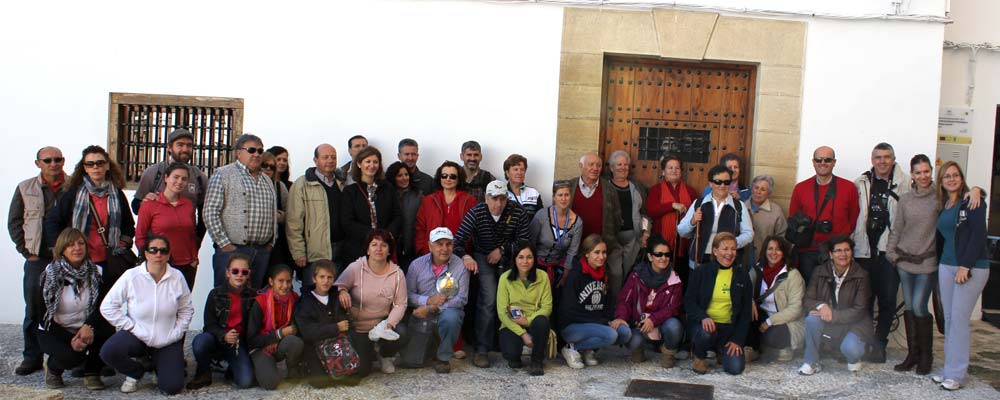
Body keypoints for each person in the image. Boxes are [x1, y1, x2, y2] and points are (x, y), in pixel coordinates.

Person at [100, 236, 193, 395]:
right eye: (153, 250)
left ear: (169, 255)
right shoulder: (131, 276)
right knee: (108, 352)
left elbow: (186, 309)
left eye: (163, 251)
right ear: (146, 253)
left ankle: (158, 365)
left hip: (167, 338)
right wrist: (131, 326)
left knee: (172, 387)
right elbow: (107, 307)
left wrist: (177, 333)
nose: (158, 255)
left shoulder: (177, 277)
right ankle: (136, 371)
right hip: (138, 335)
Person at [453, 180, 531, 368]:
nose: (498, 204)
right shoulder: (477, 212)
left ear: (507, 198)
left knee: (513, 299)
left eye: (502, 199)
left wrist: (502, 250)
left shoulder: (517, 211)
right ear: (486, 198)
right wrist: (466, 257)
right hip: (482, 256)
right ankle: (482, 349)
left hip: (510, 257)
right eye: (494, 199)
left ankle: (513, 344)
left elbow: (525, 240)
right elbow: (458, 241)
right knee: (488, 299)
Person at [9, 145, 68, 375]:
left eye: (58, 159)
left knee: (66, 307)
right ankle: (32, 357)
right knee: (34, 308)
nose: (53, 164)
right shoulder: (25, 188)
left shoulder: (73, 186)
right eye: (48, 160)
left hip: (65, 258)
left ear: (63, 161)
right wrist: (26, 252)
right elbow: (14, 222)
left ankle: (63, 359)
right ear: (38, 163)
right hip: (37, 258)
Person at [932, 161, 990, 391]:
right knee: (949, 320)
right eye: (947, 176)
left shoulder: (972, 201)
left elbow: (978, 235)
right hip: (946, 265)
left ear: (961, 177)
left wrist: (966, 266)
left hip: (971, 268)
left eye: (955, 175)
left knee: (959, 320)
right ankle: (949, 369)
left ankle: (957, 374)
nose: (951, 179)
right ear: (941, 181)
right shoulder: (945, 204)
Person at [849, 142, 908, 363]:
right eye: (878, 157)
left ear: (893, 159)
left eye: (886, 157)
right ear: (872, 160)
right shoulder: (861, 182)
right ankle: (863, 342)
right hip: (864, 251)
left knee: (887, 300)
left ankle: (880, 344)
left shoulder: (905, 184)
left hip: (889, 252)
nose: (882, 161)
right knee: (863, 301)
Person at [32, 228, 111, 390]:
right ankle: (53, 369)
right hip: (54, 329)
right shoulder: (49, 276)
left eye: (81, 243)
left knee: (109, 333)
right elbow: (41, 317)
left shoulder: (97, 273)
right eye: (70, 245)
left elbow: (103, 307)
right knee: (73, 356)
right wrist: (70, 339)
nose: (77, 248)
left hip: (84, 326)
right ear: (62, 250)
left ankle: (92, 372)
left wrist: (88, 326)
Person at [45, 145, 135, 283]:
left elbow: (128, 225)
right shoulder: (73, 194)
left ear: (107, 166)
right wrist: (62, 250)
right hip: (80, 262)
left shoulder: (117, 194)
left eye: (100, 163)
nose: (95, 167)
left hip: (110, 262)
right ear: (85, 168)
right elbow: (53, 222)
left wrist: (122, 244)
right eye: (90, 164)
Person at [203, 133, 277, 289]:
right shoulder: (223, 174)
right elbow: (210, 211)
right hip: (232, 250)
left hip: (261, 251)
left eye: (260, 150)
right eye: (251, 150)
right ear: (238, 152)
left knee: (252, 301)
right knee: (226, 300)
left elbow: (272, 213)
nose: (256, 154)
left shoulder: (267, 180)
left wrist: (271, 242)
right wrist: (224, 244)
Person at [886, 154, 937, 375]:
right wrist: (891, 253)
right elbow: (897, 228)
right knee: (908, 307)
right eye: (918, 172)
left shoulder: (940, 197)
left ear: (931, 171)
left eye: (926, 171)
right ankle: (912, 354)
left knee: (919, 306)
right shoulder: (905, 199)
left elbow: (965, 195)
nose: (923, 175)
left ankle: (926, 355)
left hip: (927, 261)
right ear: (912, 174)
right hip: (904, 261)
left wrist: (976, 191)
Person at [335, 229, 410, 377]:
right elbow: (338, 285)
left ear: (389, 251)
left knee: (401, 332)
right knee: (363, 371)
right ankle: (370, 349)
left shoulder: (397, 274)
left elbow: (400, 304)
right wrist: (342, 291)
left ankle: (385, 355)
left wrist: (389, 324)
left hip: (381, 324)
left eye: (384, 245)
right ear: (368, 249)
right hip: (358, 326)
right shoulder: (356, 267)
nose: (379, 249)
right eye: (374, 244)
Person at [799, 235, 873, 376]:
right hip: (831, 322)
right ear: (830, 254)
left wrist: (831, 314)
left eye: (847, 250)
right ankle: (811, 362)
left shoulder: (862, 275)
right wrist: (821, 306)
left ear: (852, 253)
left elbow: (859, 310)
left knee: (850, 349)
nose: (843, 254)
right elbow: (807, 299)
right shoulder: (819, 271)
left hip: (855, 325)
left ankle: (853, 358)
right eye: (838, 251)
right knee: (811, 319)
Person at [402, 227, 470, 373]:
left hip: (446, 311)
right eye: (439, 244)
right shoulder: (416, 265)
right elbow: (407, 294)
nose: (444, 249)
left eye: (449, 244)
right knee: (411, 362)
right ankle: (429, 350)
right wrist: (427, 300)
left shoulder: (460, 266)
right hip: (422, 314)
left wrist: (434, 307)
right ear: (430, 246)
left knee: (452, 317)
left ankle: (443, 358)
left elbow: (461, 299)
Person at [788, 146, 860, 283]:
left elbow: (853, 219)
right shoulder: (800, 188)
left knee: (835, 295)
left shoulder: (849, 188)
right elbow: (793, 219)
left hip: (837, 253)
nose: (823, 163)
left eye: (827, 159)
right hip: (807, 251)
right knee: (809, 293)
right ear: (813, 162)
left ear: (834, 162)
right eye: (818, 160)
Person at [611, 234, 684, 368]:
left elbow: (673, 308)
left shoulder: (675, 279)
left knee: (674, 326)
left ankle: (668, 352)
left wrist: (653, 320)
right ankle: (639, 349)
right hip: (638, 323)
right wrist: (621, 317)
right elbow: (624, 300)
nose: (663, 258)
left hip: (661, 325)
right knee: (628, 334)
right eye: (659, 254)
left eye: (667, 255)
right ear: (650, 256)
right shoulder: (636, 275)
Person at [685, 232, 752, 375]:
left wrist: (737, 339)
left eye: (733, 249)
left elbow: (746, 312)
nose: (729, 253)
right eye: (725, 248)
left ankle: (721, 351)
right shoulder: (701, 272)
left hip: (729, 330)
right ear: (715, 251)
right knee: (705, 333)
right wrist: (703, 317)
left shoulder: (742, 275)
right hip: (706, 326)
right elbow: (689, 302)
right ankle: (700, 356)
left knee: (735, 369)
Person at [187, 254, 256, 390]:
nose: (239, 275)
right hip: (217, 339)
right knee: (200, 342)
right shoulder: (215, 294)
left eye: (244, 272)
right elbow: (209, 324)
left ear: (249, 274)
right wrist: (223, 335)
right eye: (235, 271)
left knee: (245, 382)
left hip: (237, 343)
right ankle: (204, 371)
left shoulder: (253, 296)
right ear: (227, 273)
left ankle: (232, 368)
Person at [130, 128, 208, 242]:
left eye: (189, 145)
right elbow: (135, 207)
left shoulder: (199, 177)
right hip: (156, 248)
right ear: (169, 147)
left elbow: (203, 213)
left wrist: (197, 240)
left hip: (184, 245)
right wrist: (145, 203)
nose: (185, 149)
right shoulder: (153, 173)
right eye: (180, 145)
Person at [286, 144, 345, 289]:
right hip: (315, 252)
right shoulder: (302, 185)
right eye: (325, 157)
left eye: (333, 157)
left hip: (340, 250)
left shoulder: (342, 184)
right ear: (315, 160)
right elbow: (294, 221)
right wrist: (298, 251)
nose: (330, 161)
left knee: (336, 293)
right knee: (312, 295)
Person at [568, 153, 623, 300]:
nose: (595, 168)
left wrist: (608, 239)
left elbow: (617, 218)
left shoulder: (609, 189)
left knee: (615, 275)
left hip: (603, 245)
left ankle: (612, 311)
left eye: (598, 165)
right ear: (581, 167)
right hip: (576, 245)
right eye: (591, 164)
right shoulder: (570, 187)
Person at [135, 162, 198, 289]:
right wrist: (150, 258)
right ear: (166, 178)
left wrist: (194, 258)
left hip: (186, 265)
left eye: (184, 179)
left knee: (182, 305)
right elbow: (140, 236)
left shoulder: (188, 205)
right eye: (176, 177)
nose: (179, 182)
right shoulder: (150, 205)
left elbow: (191, 234)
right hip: (160, 263)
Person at [558, 234, 618, 369]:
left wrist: (610, 319)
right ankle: (571, 347)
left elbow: (608, 303)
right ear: (586, 254)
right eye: (596, 252)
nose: (601, 256)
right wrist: (602, 322)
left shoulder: (604, 273)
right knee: (611, 335)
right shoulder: (575, 275)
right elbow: (569, 311)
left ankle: (587, 349)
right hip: (573, 327)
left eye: (604, 252)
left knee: (623, 332)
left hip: (594, 324)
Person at [677, 165, 754, 270]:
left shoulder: (739, 206)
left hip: (727, 260)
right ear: (710, 183)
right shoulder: (699, 203)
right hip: (700, 260)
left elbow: (749, 234)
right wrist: (692, 221)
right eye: (718, 182)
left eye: (726, 182)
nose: (722, 185)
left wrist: (732, 245)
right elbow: (681, 231)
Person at [293, 259, 352, 388]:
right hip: (314, 346)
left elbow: (346, 323)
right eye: (322, 277)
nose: (326, 281)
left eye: (329, 277)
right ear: (314, 279)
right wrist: (335, 327)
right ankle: (305, 366)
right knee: (320, 382)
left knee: (352, 377)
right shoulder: (304, 301)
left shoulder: (336, 297)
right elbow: (307, 331)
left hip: (336, 345)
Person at [340, 146, 402, 264]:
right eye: (367, 161)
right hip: (358, 249)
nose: (372, 165)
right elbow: (347, 222)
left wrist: (386, 235)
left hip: (384, 248)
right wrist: (372, 236)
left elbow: (397, 215)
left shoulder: (388, 188)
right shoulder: (350, 191)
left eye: (375, 162)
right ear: (359, 164)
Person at [747, 236, 804, 362]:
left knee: (773, 335)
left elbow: (796, 309)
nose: (773, 253)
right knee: (745, 316)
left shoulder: (793, 275)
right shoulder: (757, 270)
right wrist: (749, 300)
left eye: (778, 249)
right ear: (764, 251)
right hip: (762, 315)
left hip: (785, 321)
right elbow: (745, 289)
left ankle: (783, 347)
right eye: (770, 249)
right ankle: (754, 348)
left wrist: (770, 321)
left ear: (783, 253)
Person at [497, 243, 551, 376]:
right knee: (512, 356)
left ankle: (537, 361)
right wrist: (523, 334)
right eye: (520, 257)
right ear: (514, 259)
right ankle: (518, 352)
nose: (525, 261)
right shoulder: (505, 278)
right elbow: (502, 313)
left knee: (542, 321)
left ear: (534, 259)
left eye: (529, 257)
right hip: (512, 323)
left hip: (534, 321)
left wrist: (527, 322)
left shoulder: (543, 276)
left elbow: (547, 307)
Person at [645, 154, 698, 287]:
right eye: (670, 168)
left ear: (681, 171)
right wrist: (672, 205)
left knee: (682, 278)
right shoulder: (656, 190)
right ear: (663, 171)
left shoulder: (691, 191)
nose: (674, 170)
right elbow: (651, 211)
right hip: (661, 242)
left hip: (684, 243)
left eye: (677, 168)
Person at [248, 264, 303, 390]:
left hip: (280, 345)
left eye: (288, 281)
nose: (285, 286)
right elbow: (251, 340)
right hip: (260, 348)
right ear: (271, 281)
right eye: (280, 281)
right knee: (270, 383)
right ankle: (262, 366)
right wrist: (279, 334)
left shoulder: (294, 298)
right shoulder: (260, 302)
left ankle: (293, 367)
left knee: (294, 342)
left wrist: (286, 334)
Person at [607, 150, 650, 296]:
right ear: (612, 167)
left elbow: (644, 213)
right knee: (615, 273)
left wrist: (645, 232)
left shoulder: (636, 187)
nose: (623, 167)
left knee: (629, 272)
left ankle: (625, 306)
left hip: (633, 237)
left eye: (626, 164)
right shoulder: (605, 187)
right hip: (612, 238)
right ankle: (613, 306)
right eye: (619, 164)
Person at [415, 161, 477, 256]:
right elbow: (420, 227)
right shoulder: (428, 200)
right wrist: (422, 249)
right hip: (433, 254)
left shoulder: (469, 200)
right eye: (444, 175)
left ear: (458, 179)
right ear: (439, 178)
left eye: (452, 176)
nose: (448, 179)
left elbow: (475, 228)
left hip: (460, 253)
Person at [529, 180, 582, 289]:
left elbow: (572, 252)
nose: (563, 199)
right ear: (554, 197)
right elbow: (530, 243)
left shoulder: (577, 223)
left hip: (560, 267)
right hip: (536, 264)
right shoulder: (541, 216)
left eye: (566, 195)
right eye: (560, 195)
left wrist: (565, 278)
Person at [387, 161, 424, 269]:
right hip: (390, 246)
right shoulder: (386, 195)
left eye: (406, 174)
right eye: (399, 175)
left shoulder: (418, 195)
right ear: (393, 177)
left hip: (412, 247)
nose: (404, 178)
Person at [745, 175, 787, 266]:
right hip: (742, 259)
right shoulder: (741, 207)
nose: (758, 192)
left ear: (769, 193)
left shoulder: (776, 211)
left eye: (763, 189)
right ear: (752, 189)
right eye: (756, 188)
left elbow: (782, 237)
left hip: (765, 261)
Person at [261, 151, 293, 269]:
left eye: (272, 167)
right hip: (254, 243)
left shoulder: (280, 186)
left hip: (276, 244)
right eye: (265, 165)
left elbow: (290, 213)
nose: (268, 169)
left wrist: (279, 215)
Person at [504, 154, 544, 220]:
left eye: (522, 169)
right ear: (507, 173)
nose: (519, 172)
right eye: (515, 169)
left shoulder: (534, 193)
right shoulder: (501, 192)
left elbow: (541, 218)